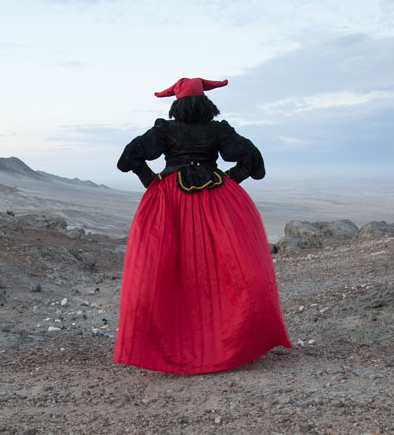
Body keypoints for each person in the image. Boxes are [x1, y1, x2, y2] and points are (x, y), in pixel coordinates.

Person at [114, 77, 291, 374]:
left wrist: (153, 182)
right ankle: (229, 341)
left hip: (170, 201)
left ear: (176, 105)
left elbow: (127, 158)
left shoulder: (164, 129)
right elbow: (254, 161)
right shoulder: (218, 130)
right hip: (216, 198)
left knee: (162, 270)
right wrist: (230, 181)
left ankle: (172, 345)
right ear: (207, 104)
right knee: (228, 268)